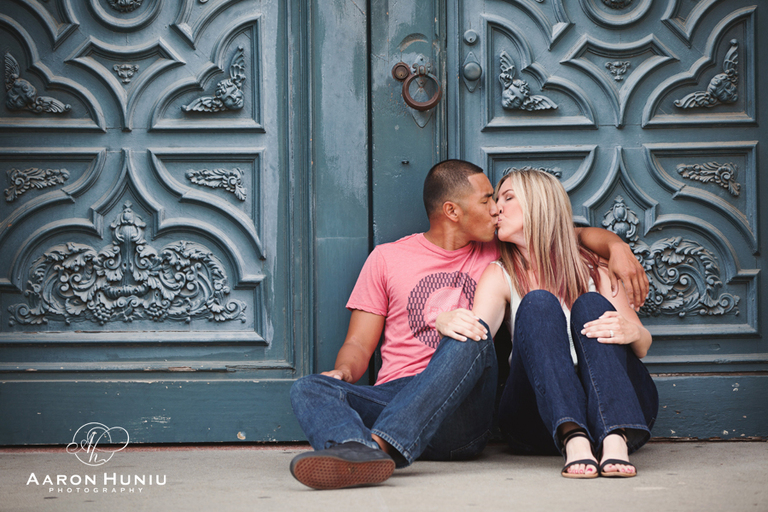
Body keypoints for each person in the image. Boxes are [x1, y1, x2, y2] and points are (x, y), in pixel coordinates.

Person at [289, 160, 649, 490]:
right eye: (488, 200)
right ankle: (355, 450)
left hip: (464, 407)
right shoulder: (387, 258)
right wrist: (343, 372)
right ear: (452, 211)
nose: (495, 209)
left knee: (471, 331)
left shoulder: (499, 251)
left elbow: (554, 234)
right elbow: (358, 345)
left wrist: (615, 245)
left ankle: (382, 445)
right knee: (309, 387)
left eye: (502, 199)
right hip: (397, 395)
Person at [438, 168, 658, 479]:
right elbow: (477, 339)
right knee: (538, 303)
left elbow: (643, 347)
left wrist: (633, 331)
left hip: (617, 409)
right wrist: (445, 320)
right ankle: (574, 436)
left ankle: (614, 437)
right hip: (538, 418)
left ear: (540, 203)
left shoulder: (596, 268)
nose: (496, 208)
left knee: (591, 304)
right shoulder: (500, 274)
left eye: (508, 198)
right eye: (496, 199)